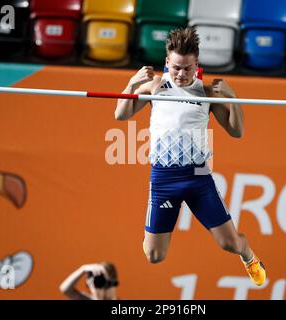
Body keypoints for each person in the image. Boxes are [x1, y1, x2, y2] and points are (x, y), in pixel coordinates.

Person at [114, 27, 266, 286]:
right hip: (163, 180)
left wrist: (233, 98)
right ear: (167, 63)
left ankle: (250, 257)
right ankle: (152, 230)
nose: (181, 74)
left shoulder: (207, 93)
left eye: (187, 68)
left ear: (196, 65)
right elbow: (121, 115)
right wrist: (131, 84)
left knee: (228, 243)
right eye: (175, 68)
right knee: (154, 256)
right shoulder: (154, 87)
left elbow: (236, 131)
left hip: (197, 179)